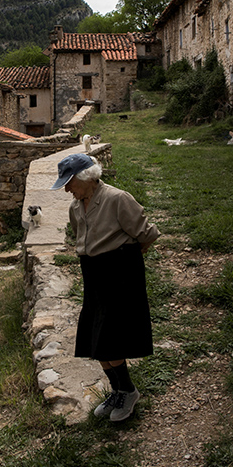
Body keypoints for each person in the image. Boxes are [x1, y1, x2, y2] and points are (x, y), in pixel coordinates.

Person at [51, 152, 160, 422]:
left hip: (120, 272)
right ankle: (119, 390)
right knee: (95, 340)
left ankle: (128, 392)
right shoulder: (76, 206)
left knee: (111, 340)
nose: (66, 189)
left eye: (69, 182)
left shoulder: (117, 199)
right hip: (93, 274)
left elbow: (147, 234)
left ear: (86, 178)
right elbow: (81, 237)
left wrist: (126, 261)